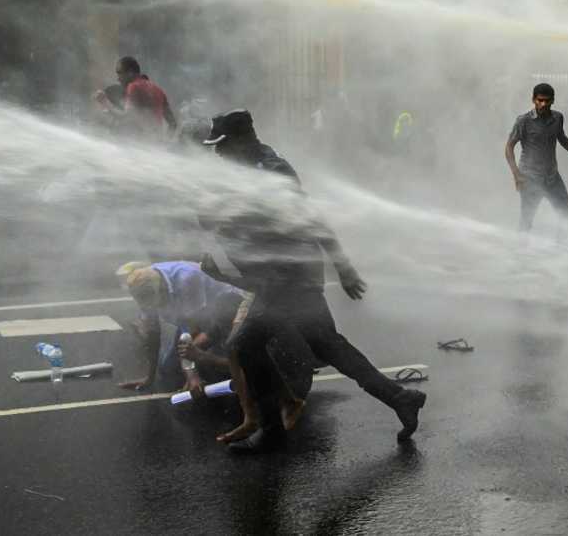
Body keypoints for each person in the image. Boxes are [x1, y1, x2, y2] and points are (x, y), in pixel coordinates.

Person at [199, 109, 426, 452]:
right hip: (282, 272)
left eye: (222, 144)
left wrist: (343, 265)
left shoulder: (273, 171)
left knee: (247, 344)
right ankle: (398, 398)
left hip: (293, 273)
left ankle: (273, 417)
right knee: (324, 344)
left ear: (243, 139)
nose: (217, 153)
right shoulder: (247, 168)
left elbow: (309, 218)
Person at [115, 260, 248, 399]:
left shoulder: (187, 279)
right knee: (169, 369)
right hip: (194, 321)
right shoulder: (142, 287)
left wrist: (192, 374)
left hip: (225, 311)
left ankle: (231, 367)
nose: (158, 308)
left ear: (162, 289)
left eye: (159, 303)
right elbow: (153, 334)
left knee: (221, 363)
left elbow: (193, 330)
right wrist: (149, 377)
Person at [505, 83, 568, 232]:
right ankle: (520, 250)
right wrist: (516, 174)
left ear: (553, 100)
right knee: (527, 219)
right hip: (530, 176)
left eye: (547, 100)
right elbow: (509, 146)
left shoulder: (557, 117)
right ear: (533, 100)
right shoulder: (523, 121)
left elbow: (562, 139)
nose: (543, 104)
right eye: (540, 100)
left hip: (552, 176)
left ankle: (560, 246)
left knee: (566, 212)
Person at [93, 56, 177, 138]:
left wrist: (105, 102)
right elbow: (173, 124)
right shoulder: (159, 90)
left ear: (130, 73)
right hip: (155, 144)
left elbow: (126, 117)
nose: (118, 79)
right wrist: (165, 144)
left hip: (139, 143)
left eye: (119, 73)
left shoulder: (134, 86)